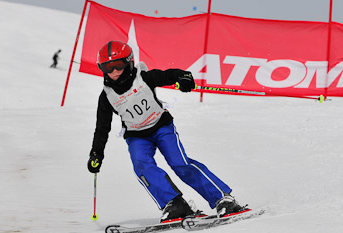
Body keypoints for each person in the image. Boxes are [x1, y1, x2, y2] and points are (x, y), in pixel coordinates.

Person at [87, 41, 245, 222]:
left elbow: (171, 75)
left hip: (161, 127)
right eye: (107, 67)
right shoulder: (107, 96)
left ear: (129, 62)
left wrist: (184, 78)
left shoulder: (144, 78)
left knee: (179, 163)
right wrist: (96, 153)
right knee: (142, 166)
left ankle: (223, 198)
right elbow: (102, 128)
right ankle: (175, 204)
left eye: (118, 66)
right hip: (137, 136)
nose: (114, 72)